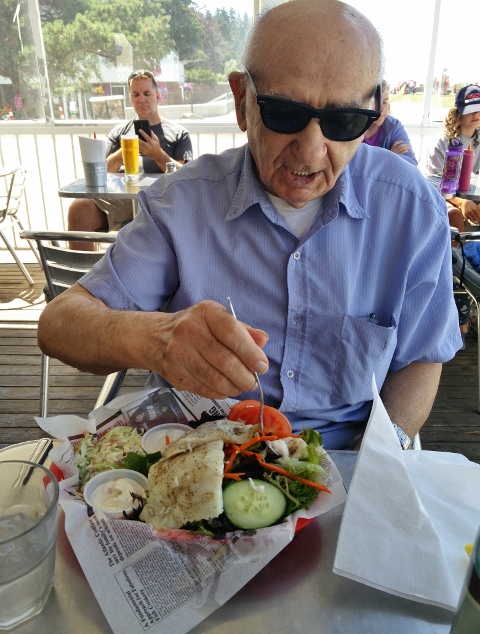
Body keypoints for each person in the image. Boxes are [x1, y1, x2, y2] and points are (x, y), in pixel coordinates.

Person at [38, 0, 461, 450]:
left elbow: (421, 357)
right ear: (242, 102)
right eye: (284, 114)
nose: (310, 152)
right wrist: (157, 339)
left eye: (343, 121)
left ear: (373, 114)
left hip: (348, 453)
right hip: (198, 452)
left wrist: (381, 453)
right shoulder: (180, 203)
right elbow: (59, 324)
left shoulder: (412, 209)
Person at [67, 70, 192, 250]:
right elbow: (101, 172)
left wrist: (158, 154)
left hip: (162, 199)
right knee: (78, 209)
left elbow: (187, 177)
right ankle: (85, 268)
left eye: (147, 94)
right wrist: (123, 151)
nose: (141, 99)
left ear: (157, 96)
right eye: (136, 94)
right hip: (122, 199)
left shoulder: (178, 133)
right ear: (130, 99)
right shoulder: (119, 132)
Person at [427, 84, 480, 233]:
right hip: (441, 196)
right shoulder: (443, 142)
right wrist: (461, 202)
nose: (476, 114)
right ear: (458, 112)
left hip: (471, 196)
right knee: (454, 214)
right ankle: (457, 249)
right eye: (470, 110)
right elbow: (433, 182)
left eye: (479, 109)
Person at [362, 81, 417, 165]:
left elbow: (411, 163)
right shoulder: (351, 128)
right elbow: (347, 168)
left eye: (385, 102)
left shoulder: (394, 126)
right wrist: (389, 156)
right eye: (375, 103)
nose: (381, 109)